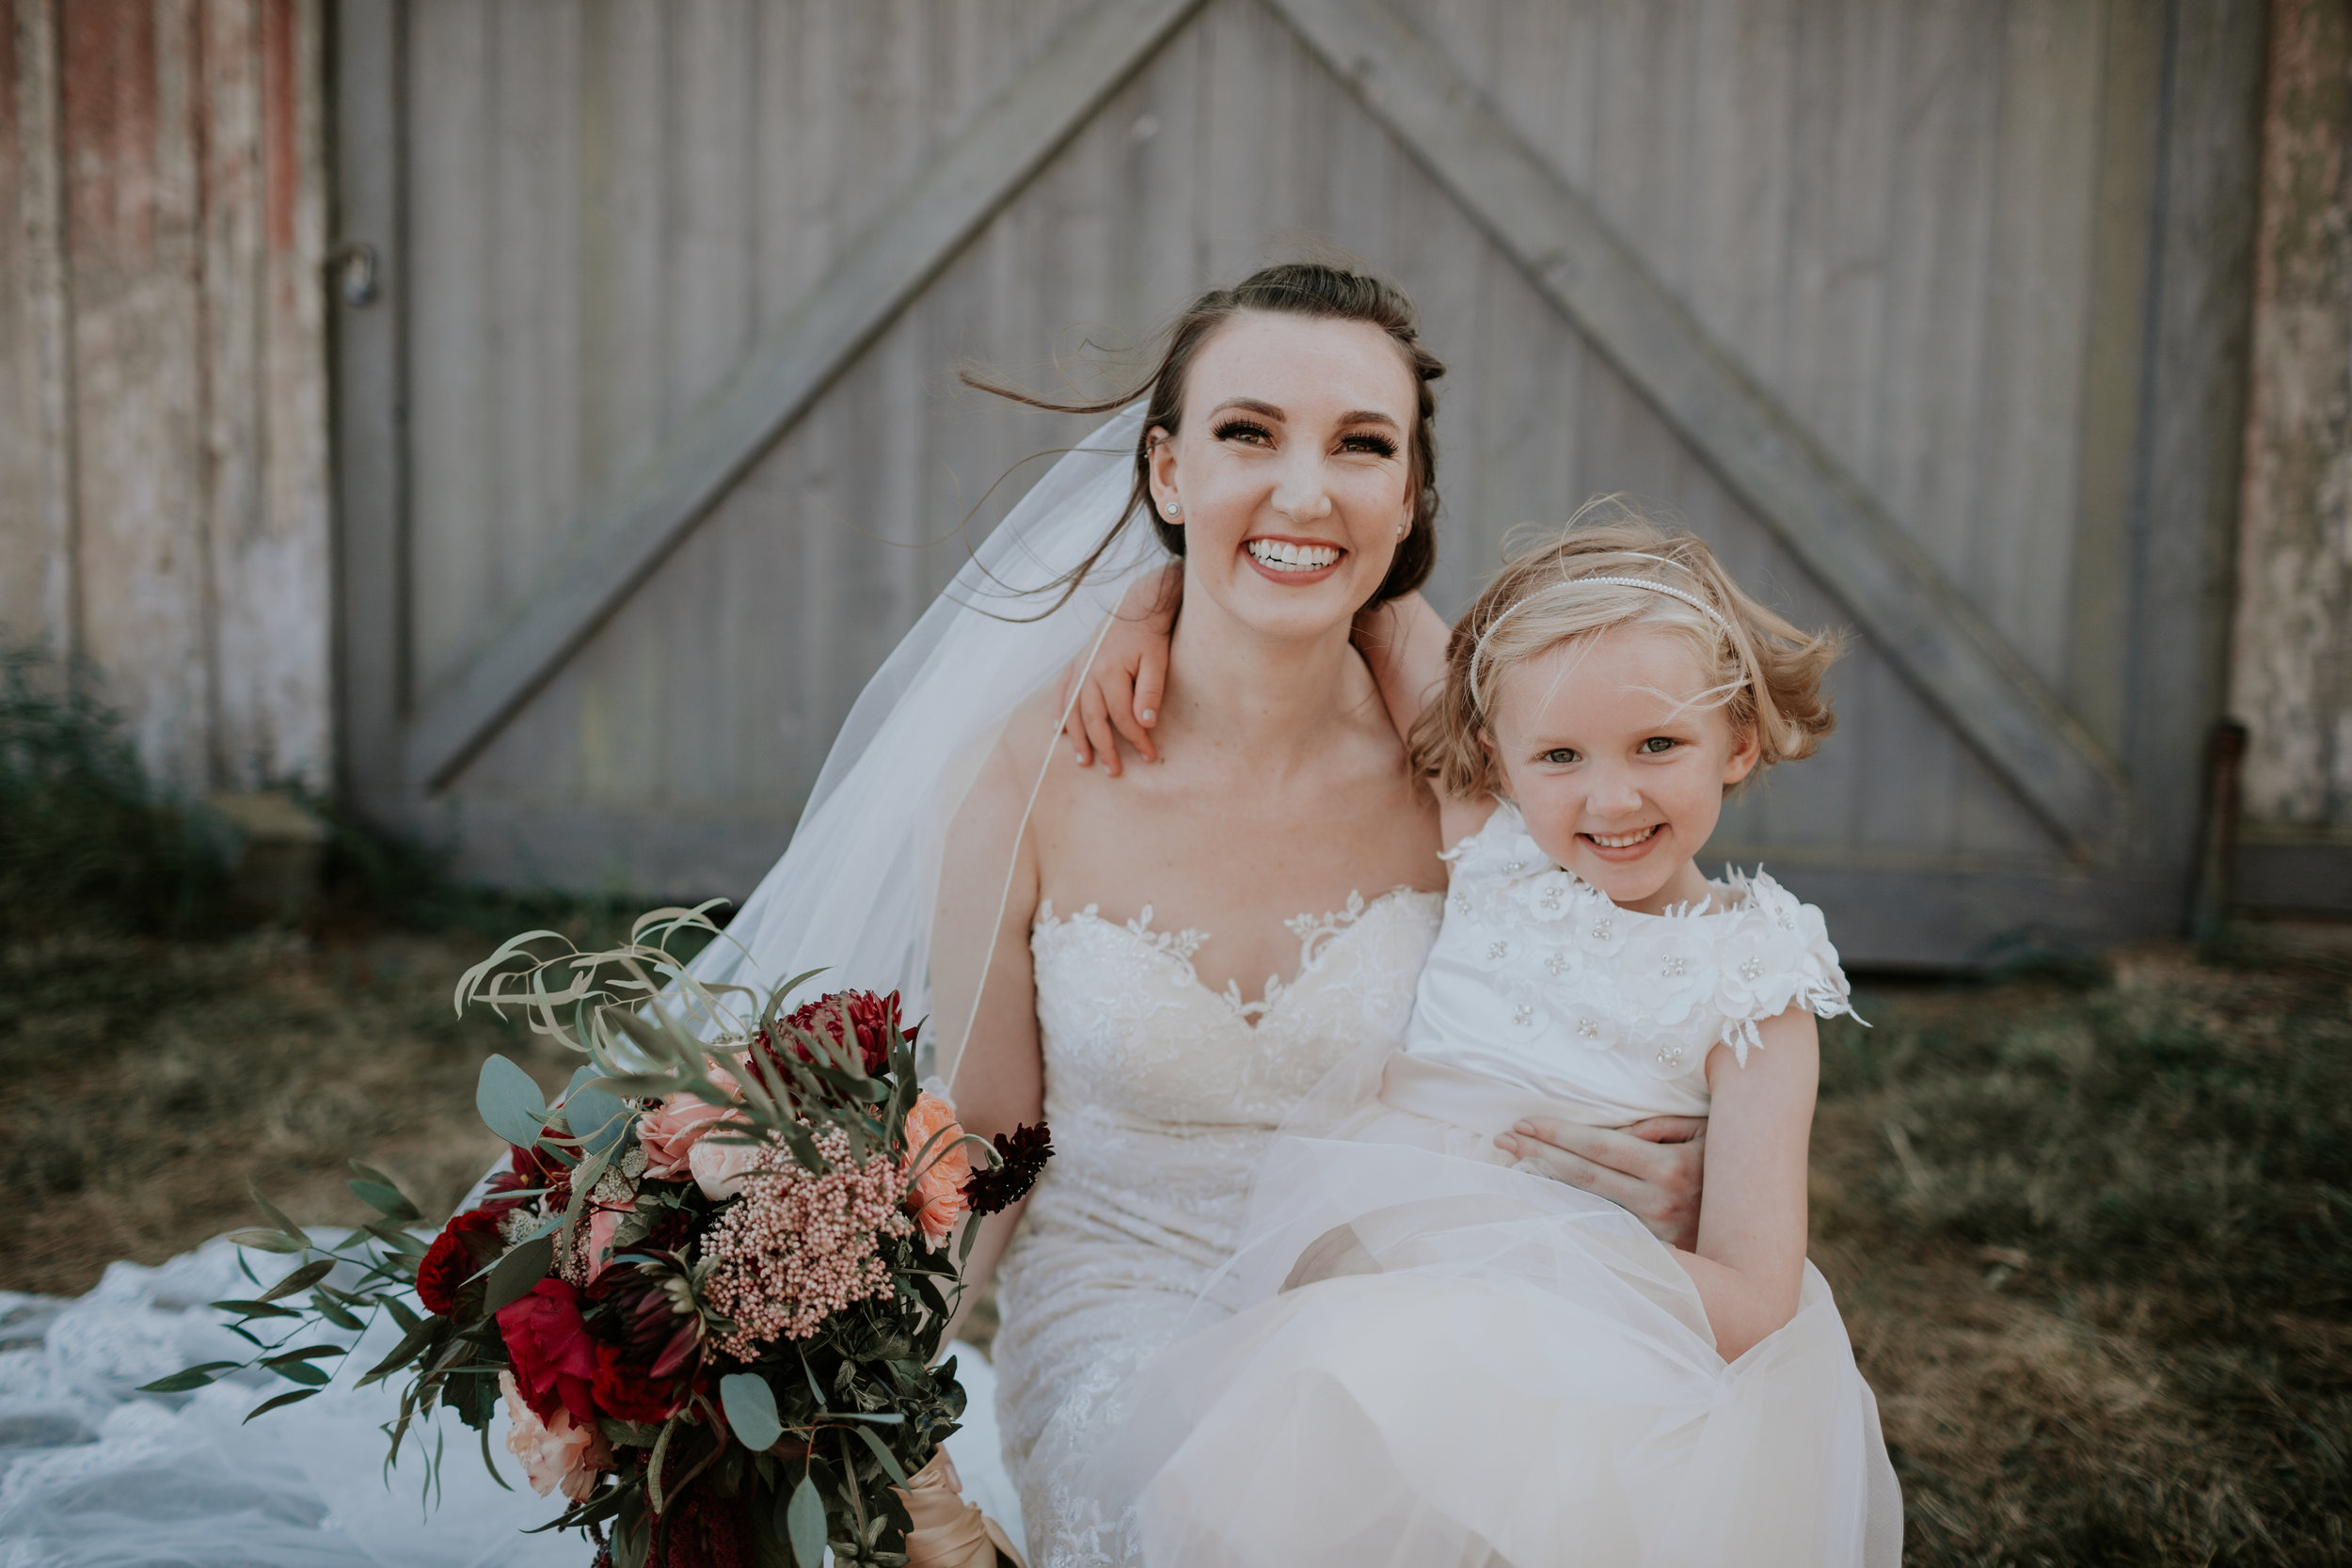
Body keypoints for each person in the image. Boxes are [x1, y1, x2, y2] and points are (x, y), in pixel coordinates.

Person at [0, 265, 1702, 1567]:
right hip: (1129, 1317)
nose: (1304, 490)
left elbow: (1617, 978)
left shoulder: (1477, 758)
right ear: (1166, 467)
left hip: (1389, 1290)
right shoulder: (1024, 784)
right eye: (1249, 433)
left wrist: (1673, 1169)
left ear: (1412, 500)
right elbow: (991, 1143)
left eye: (1361, 446)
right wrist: (826, 1360)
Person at [1065, 509, 1903, 1565]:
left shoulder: (1756, 986)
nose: (1611, 795)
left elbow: (1749, 1299)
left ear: (1737, 739)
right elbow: (1368, 596)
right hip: (1370, 1283)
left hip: (1605, 1357)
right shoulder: (1494, 847)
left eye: (1658, 743)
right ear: (1494, 761)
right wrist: (1149, 606)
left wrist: (1527, 1255)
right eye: (1558, 753)